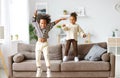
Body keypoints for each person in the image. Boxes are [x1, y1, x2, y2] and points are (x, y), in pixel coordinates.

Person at [32, 11, 66, 77]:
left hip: (45, 44)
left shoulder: (48, 27)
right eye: (42, 23)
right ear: (39, 23)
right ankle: (39, 69)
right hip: (38, 44)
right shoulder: (37, 26)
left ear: (46, 23)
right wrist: (34, 15)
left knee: (46, 56)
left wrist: (61, 19)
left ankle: (48, 70)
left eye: (44, 23)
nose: (43, 25)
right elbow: (33, 21)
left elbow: (54, 23)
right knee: (37, 57)